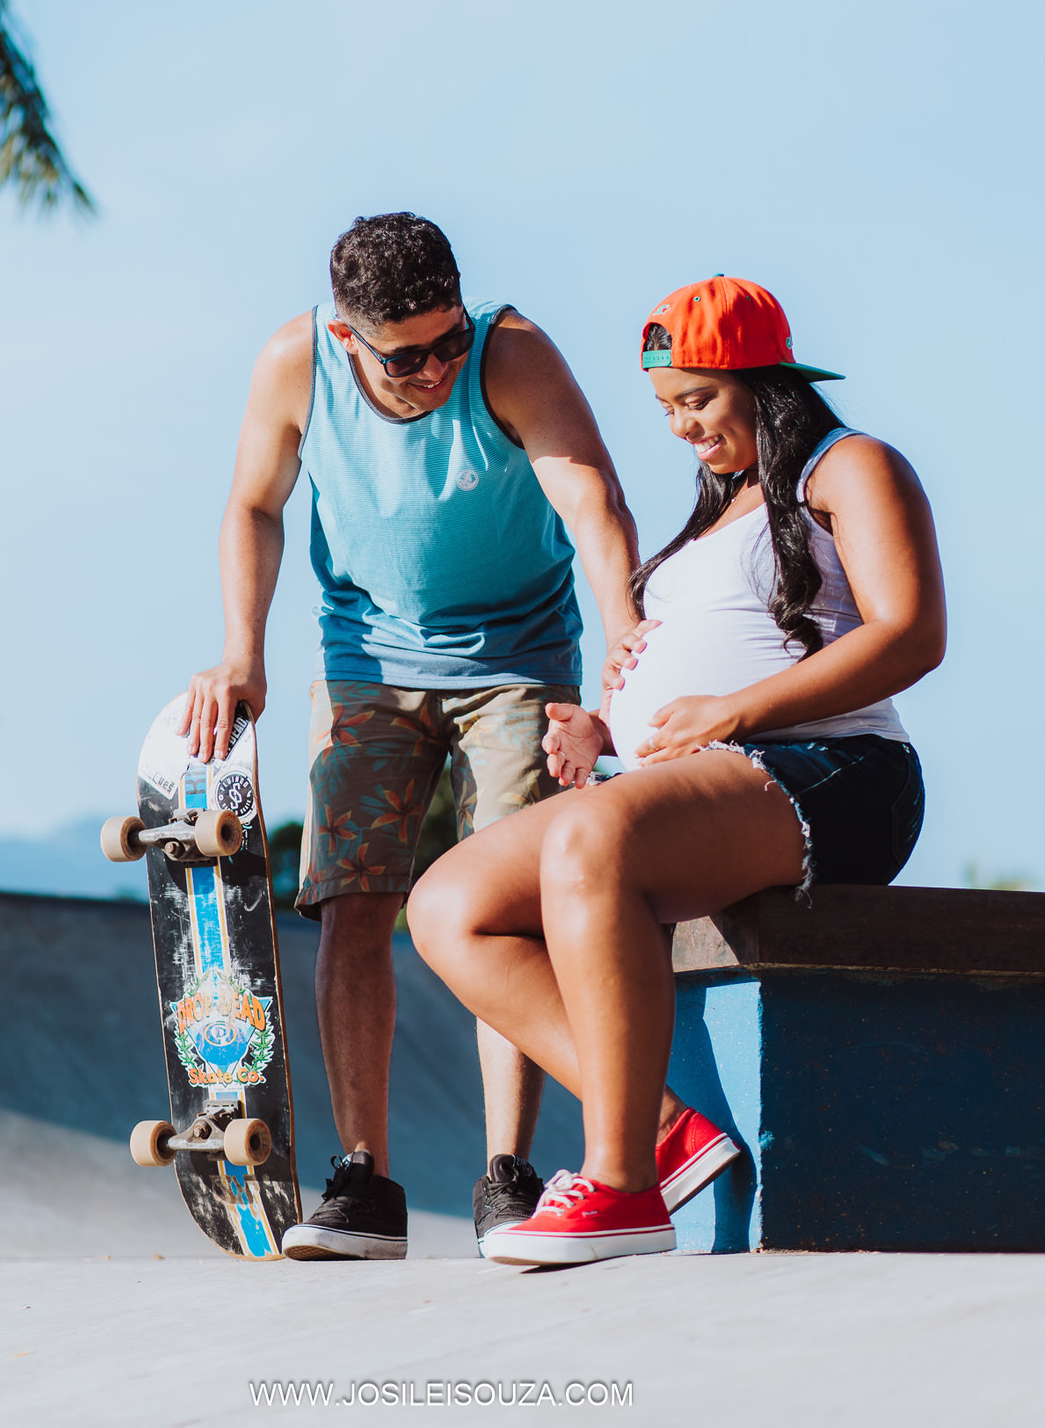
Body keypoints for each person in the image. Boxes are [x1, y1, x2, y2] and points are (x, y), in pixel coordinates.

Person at [407, 275, 946, 1264]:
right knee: (450, 902)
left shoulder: (849, 465)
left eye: (698, 398)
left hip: (837, 769)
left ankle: (619, 1189)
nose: (682, 427)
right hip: (713, 776)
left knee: (591, 838)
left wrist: (735, 711)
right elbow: (696, 673)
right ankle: (666, 1128)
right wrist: (609, 728)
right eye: (665, 408)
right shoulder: (709, 519)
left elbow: (912, 632)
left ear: (765, 381)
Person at [182, 213, 641, 1259]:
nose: (435, 369)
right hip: (365, 664)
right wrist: (240, 650)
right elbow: (254, 506)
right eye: (406, 357)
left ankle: (510, 1175)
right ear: (348, 340)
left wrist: (627, 655)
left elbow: (591, 498)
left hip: (519, 663)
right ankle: (361, 1182)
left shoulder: (510, 355)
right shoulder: (295, 364)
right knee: (353, 903)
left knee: (511, 904)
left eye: (448, 341)